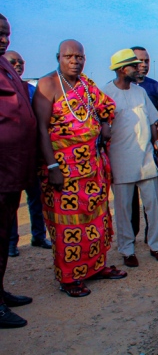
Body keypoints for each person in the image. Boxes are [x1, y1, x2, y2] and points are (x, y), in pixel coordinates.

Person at [34, 39, 127, 298]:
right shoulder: (47, 85)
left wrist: (106, 123)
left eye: (79, 57)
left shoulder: (86, 85)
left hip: (92, 168)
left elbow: (107, 106)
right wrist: (52, 165)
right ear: (58, 57)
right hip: (63, 169)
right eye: (69, 56)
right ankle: (69, 277)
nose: (75, 61)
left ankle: (96, 268)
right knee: (68, 226)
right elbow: (41, 128)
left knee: (95, 220)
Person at [102, 49, 158, 267]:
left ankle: (156, 246)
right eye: (134, 65)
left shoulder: (140, 92)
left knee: (153, 205)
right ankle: (127, 250)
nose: (139, 68)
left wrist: (157, 149)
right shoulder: (105, 94)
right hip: (120, 159)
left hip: (145, 158)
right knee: (123, 209)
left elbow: (152, 122)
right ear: (123, 69)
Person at [0, 13, 37, 328]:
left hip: (13, 169)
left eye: (7, 34)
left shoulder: (7, 67)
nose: (3, 39)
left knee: (2, 235)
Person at [2, 50, 51, 256]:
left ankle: (38, 236)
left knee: (36, 198)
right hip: (9, 159)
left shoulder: (29, 89)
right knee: (11, 203)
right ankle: (11, 242)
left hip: (32, 156)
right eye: (14, 62)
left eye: (21, 61)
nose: (19, 64)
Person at [129, 46, 158, 245]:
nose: (144, 65)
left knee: (153, 196)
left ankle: (154, 234)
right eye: (140, 61)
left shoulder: (156, 87)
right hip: (129, 152)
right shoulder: (118, 88)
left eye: (146, 61)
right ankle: (130, 238)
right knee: (130, 199)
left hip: (153, 151)